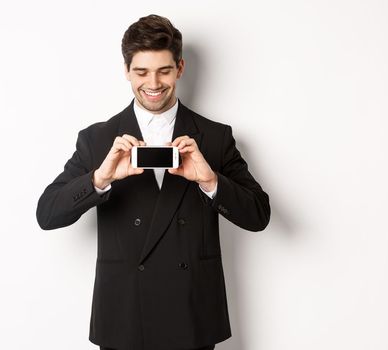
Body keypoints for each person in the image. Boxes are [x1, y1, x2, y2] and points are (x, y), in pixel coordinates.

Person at [36, 14, 271, 350]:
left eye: (164, 70)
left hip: (192, 315)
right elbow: (47, 214)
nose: (154, 83)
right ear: (127, 71)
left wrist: (210, 180)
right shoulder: (98, 139)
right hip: (125, 316)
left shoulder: (216, 138)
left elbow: (259, 215)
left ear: (180, 67)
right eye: (142, 72)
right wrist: (99, 180)